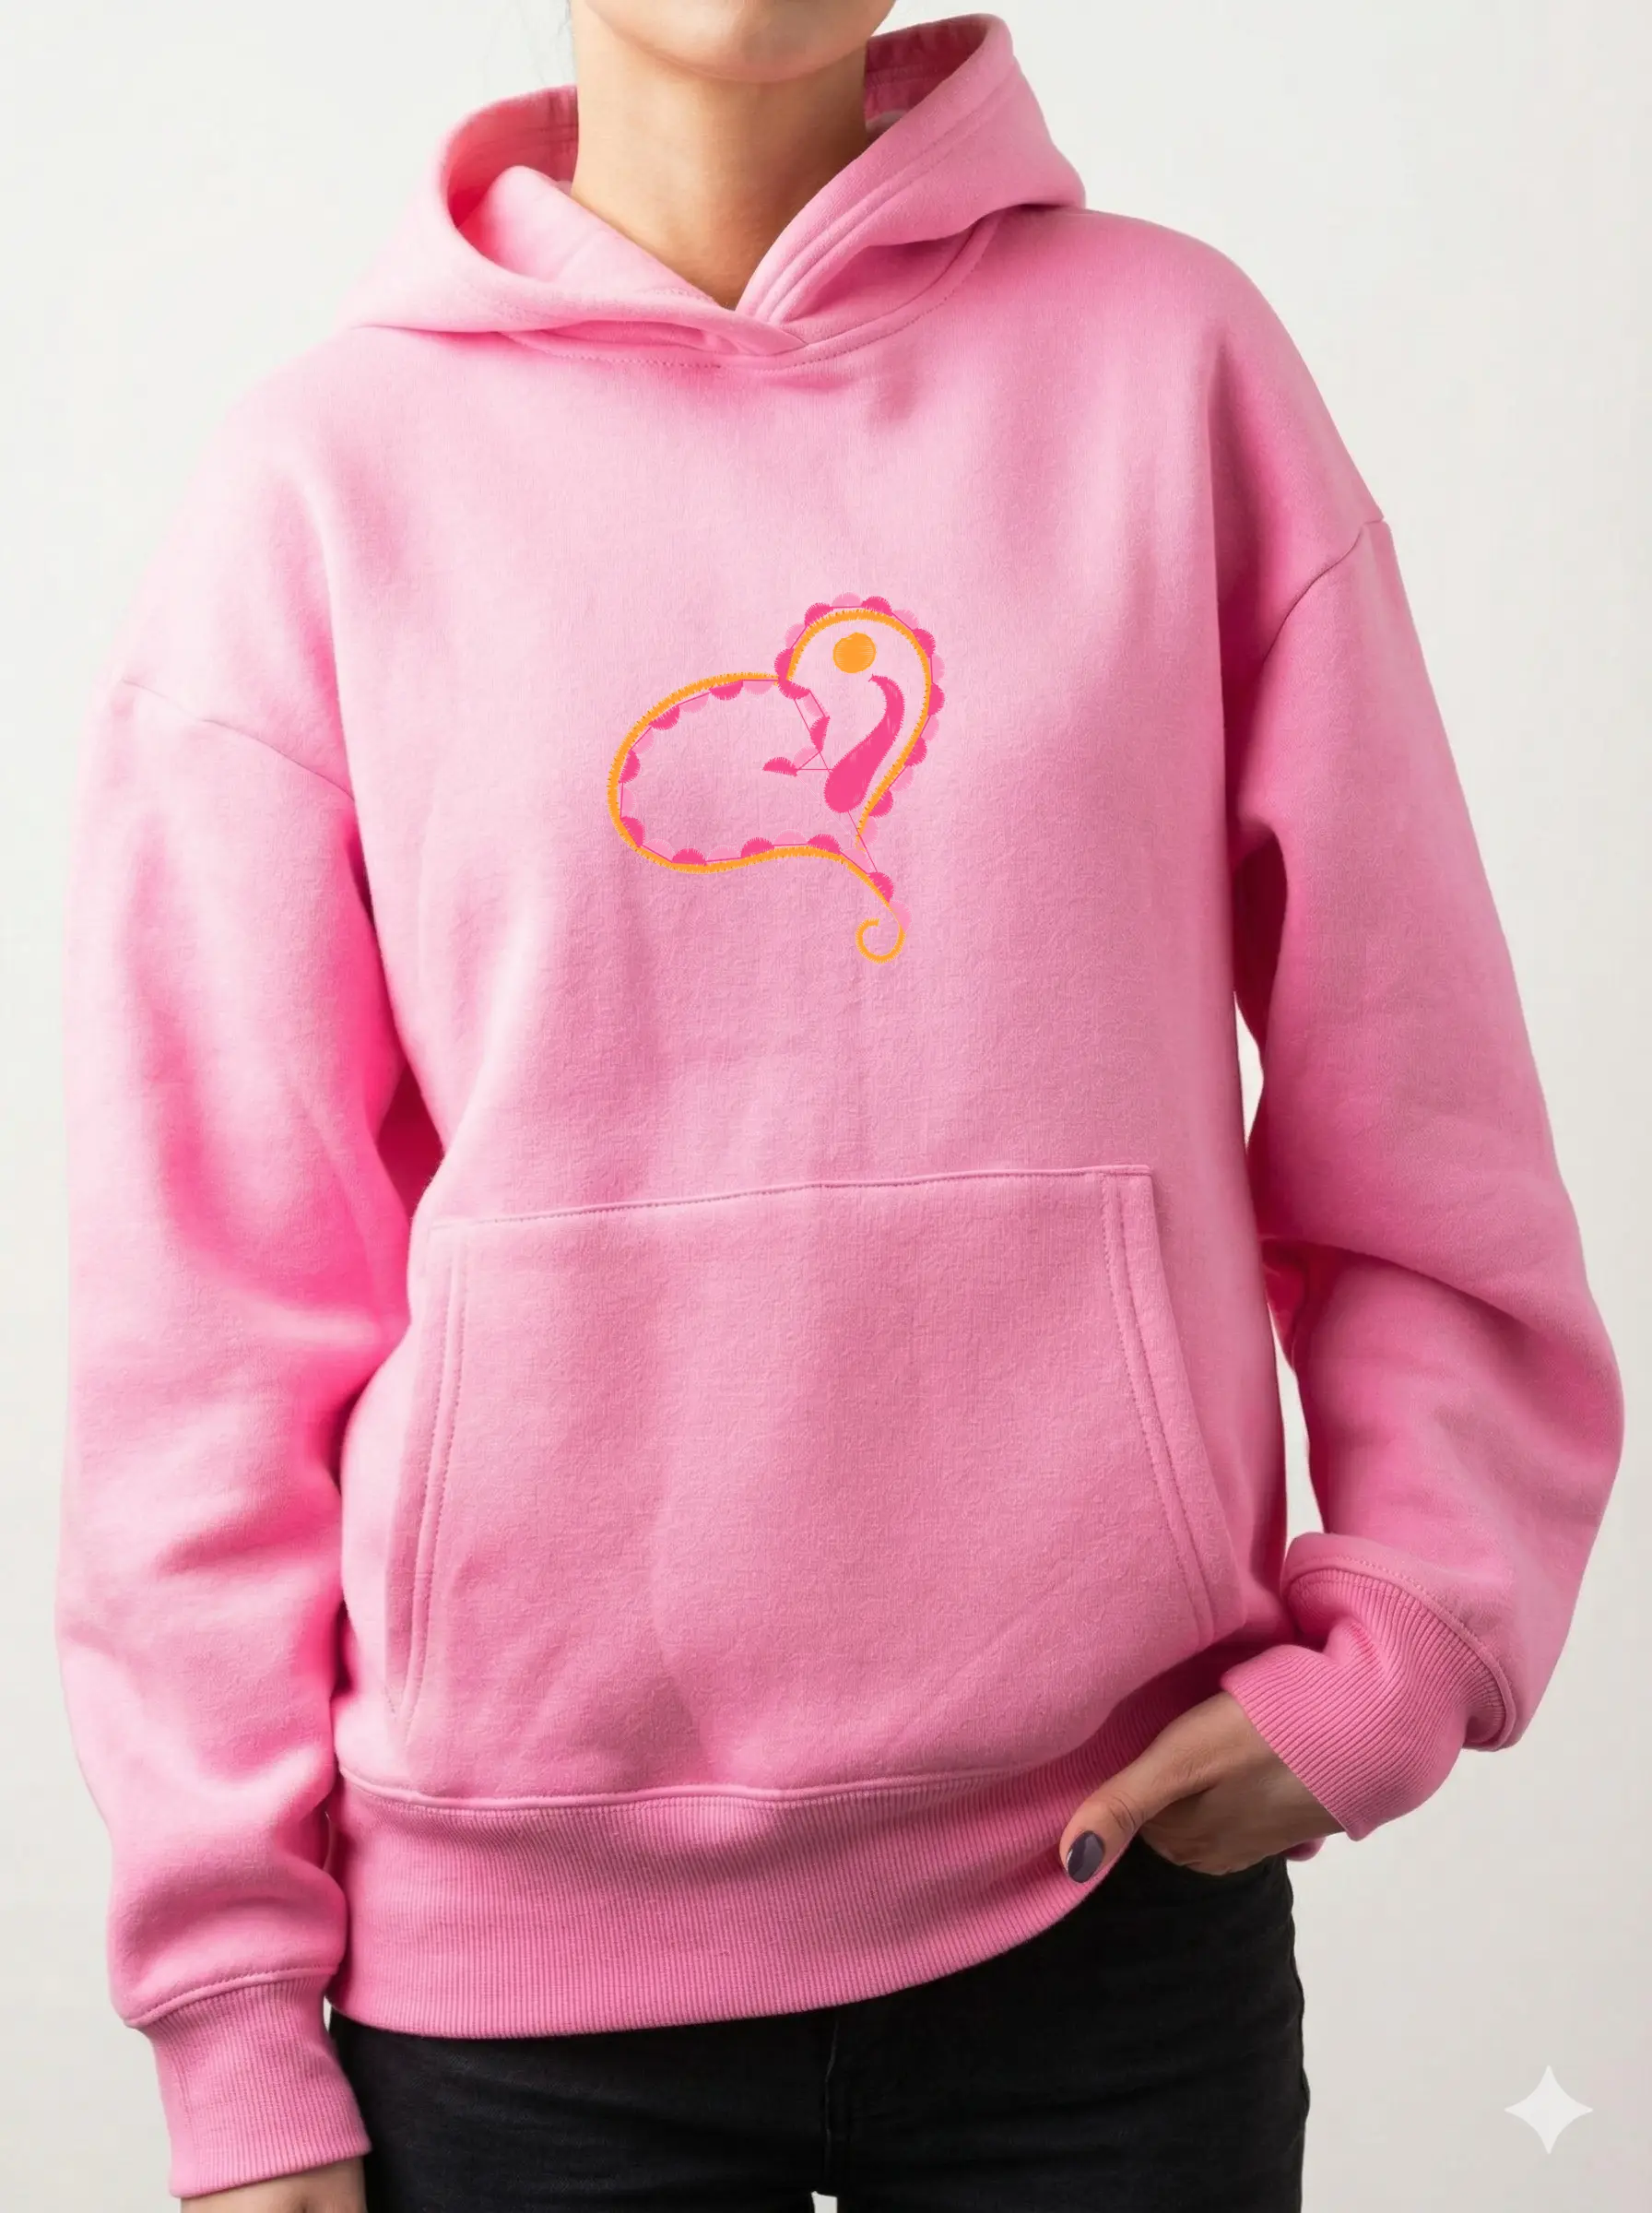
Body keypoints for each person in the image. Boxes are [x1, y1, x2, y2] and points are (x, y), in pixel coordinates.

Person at [56, 5, 1624, 2209]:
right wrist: (229, 2006)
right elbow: (207, 1310)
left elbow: (1415, 1088)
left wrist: (1407, 1633)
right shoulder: (324, 484)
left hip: (1104, 1919)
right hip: (505, 2004)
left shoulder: (1169, 372)